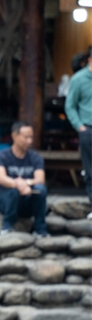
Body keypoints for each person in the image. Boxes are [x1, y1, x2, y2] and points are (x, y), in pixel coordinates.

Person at [0, 122, 49, 236]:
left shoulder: (35, 157)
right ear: (14, 136)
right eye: (26, 137)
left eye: (31, 137)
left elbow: (40, 179)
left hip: (28, 199)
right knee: (14, 192)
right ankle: (7, 226)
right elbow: (2, 179)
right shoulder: (1, 155)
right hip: (6, 200)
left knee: (41, 190)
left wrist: (26, 183)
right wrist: (18, 185)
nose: (29, 141)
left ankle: (40, 229)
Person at [64, 49, 92, 219]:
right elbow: (70, 105)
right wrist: (79, 126)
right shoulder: (79, 79)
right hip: (87, 127)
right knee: (90, 169)